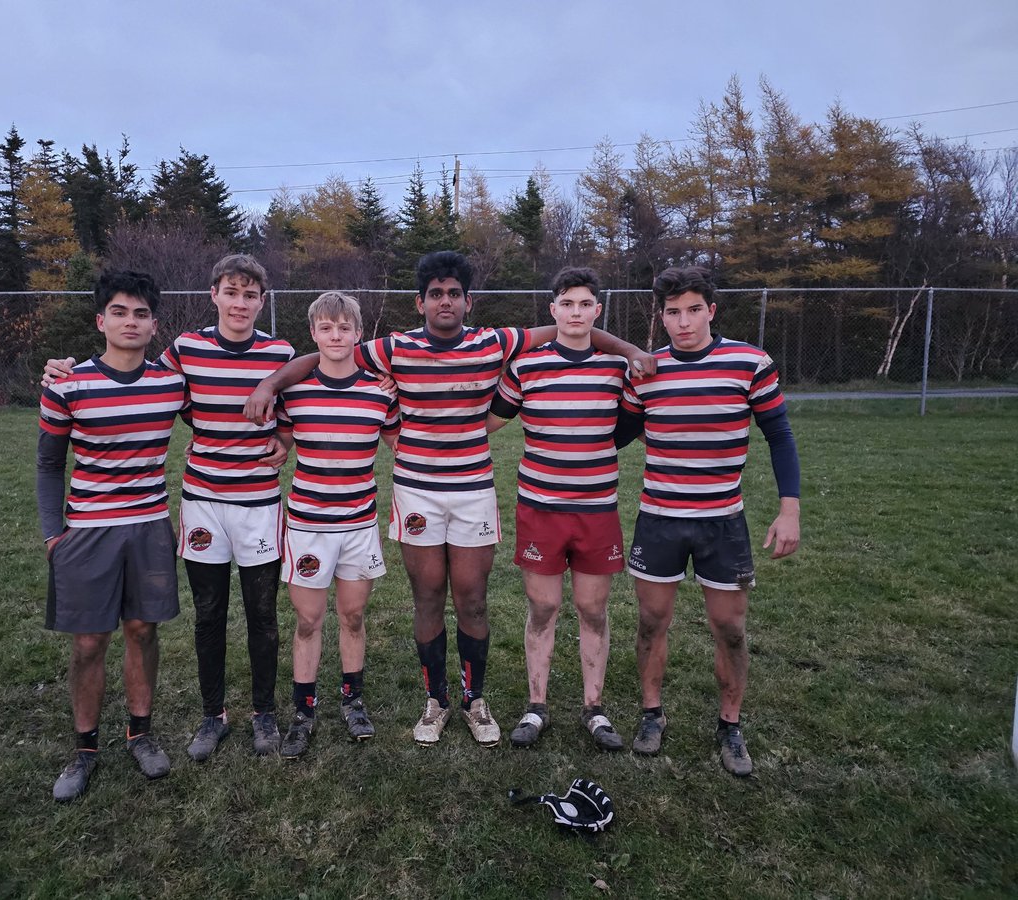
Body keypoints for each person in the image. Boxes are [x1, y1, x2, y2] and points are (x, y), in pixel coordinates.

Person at [246, 251, 655, 747]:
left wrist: (628, 347)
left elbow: (570, 331)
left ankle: (474, 701)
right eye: (435, 294)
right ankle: (435, 701)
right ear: (420, 302)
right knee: (427, 598)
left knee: (473, 600)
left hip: (473, 492)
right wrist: (270, 383)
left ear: (468, 301)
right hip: (416, 491)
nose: (445, 301)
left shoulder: (494, 342)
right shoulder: (394, 347)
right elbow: (325, 357)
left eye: (454, 294)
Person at [43, 254, 294, 758]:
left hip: (259, 502)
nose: (239, 303)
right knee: (208, 613)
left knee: (263, 614)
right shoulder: (184, 351)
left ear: (262, 302)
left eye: (250, 295)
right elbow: (136, 377)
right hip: (203, 502)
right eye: (231, 292)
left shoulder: (280, 352)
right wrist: (61, 368)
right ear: (213, 294)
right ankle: (212, 715)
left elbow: (299, 393)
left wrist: (283, 435)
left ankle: (263, 714)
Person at [615, 265, 801, 776]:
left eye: (694, 310)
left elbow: (779, 435)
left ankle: (730, 725)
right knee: (652, 622)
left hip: (723, 522)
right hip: (659, 520)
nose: (684, 322)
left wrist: (789, 510)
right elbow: (617, 434)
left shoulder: (749, 362)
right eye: (673, 312)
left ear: (711, 311)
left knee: (730, 628)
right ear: (661, 316)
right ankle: (652, 714)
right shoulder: (647, 370)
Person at [37, 270, 188, 802]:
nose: (131, 322)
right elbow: (48, 464)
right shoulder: (67, 383)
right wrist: (53, 534)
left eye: (141, 314)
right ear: (101, 321)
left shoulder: (171, 384)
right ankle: (84, 749)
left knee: (143, 631)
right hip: (87, 532)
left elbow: (224, 411)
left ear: (154, 325)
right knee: (88, 642)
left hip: (148, 527)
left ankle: (140, 734)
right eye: (119, 312)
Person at [487, 267, 629, 751]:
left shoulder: (616, 367)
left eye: (585, 304)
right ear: (553, 310)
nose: (575, 312)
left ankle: (594, 708)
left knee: (592, 608)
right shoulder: (526, 366)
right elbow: (489, 422)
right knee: (543, 606)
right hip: (540, 509)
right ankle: (536, 706)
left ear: (597, 310)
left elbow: (631, 424)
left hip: (596, 509)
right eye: (566, 303)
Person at [274, 292, 400, 759]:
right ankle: (303, 711)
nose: (335, 335)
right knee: (308, 621)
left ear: (358, 333)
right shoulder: (295, 392)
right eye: (326, 328)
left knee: (352, 616)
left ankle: (353, 701)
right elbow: (276, 445)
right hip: (308, 526)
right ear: (313, 333)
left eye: (344, 327)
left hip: (358, 525)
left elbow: (403, 444)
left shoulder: (380, 393)